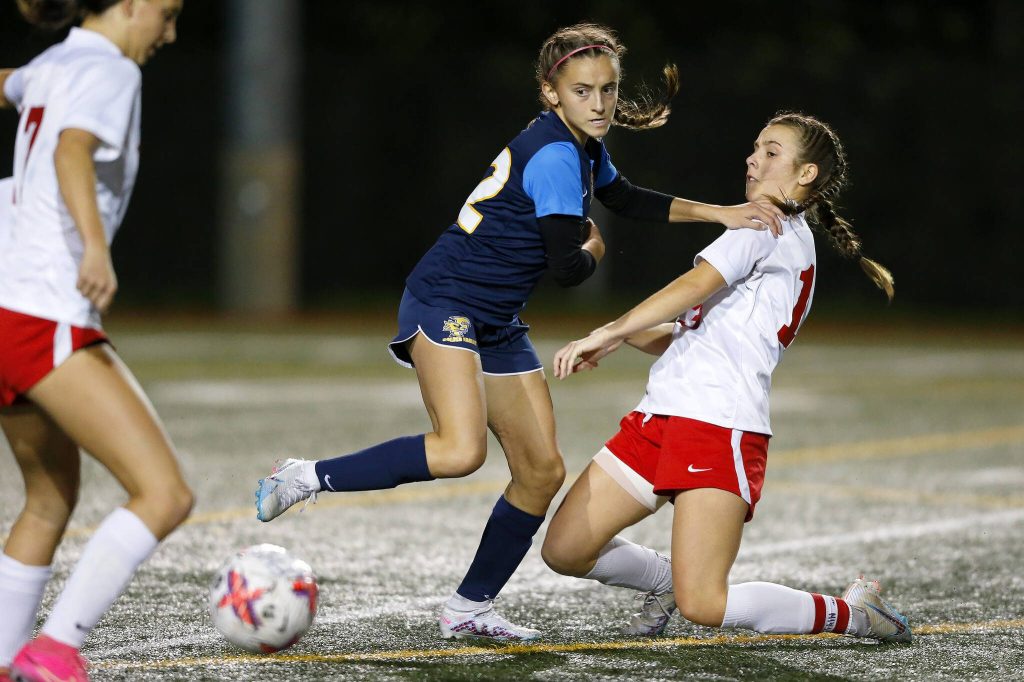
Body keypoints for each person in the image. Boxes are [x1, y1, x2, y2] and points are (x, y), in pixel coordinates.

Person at [255, 22, 787, 643]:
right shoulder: (558, 154)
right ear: (550, 93)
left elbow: (625, 196)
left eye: (608, 90)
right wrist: (592, 248)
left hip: (497, 319)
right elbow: (567, 266)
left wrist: (716, 212)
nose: (599, 104)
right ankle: (303, 475)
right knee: (459, 450)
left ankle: (468, 608)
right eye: (583, 91)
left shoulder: (578, 144)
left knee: (540, 472)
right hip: (446, 300)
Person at [540, 111, 910, 644]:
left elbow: (694, 285)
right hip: (662, 415)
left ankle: (853, 613)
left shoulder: (764, 222)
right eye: (755, 146)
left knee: (705, 604)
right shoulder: (779, 230)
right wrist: (626, 337)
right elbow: (699, 334)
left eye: (772, 151)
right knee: (566, 549)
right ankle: (667, 579)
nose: (753, 158)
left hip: (717, 425)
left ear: (805, 174)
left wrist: (610, 328)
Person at [0, 1, 191, 680]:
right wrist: (93, 248)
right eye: (165, 14)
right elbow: (72, 148)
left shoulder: (51, 63)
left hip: (6, 304)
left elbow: (10, 87)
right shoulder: (110, 69)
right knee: (164, 493)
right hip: (42, 309)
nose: (168, 33)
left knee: (50, 498)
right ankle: (54, 650)